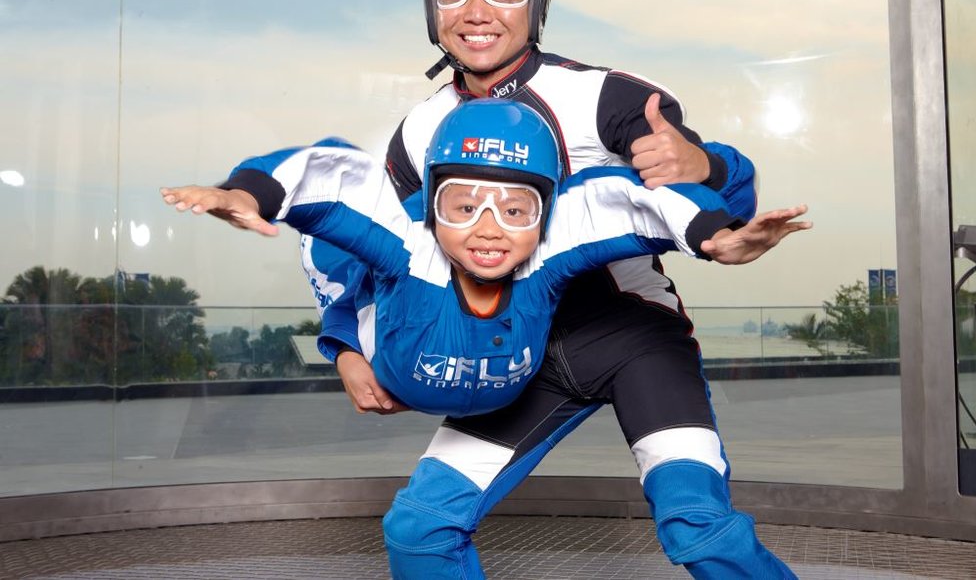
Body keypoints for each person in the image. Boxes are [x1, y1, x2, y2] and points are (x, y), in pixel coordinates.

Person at [292, 0, 803, 579]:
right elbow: (374, 250)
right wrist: (343, 346)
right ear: (430, 6)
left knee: (698, 528)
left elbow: (706, 193)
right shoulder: (418, 133)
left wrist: (710, 177)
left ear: (537, 3)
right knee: (419, 530)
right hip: (509, 357)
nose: (476, 10)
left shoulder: (606, 97)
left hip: (632, 339)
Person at [160, 99, 808, 418]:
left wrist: (717, 239)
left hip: (506, 377)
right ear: (430, 205)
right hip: (396, 353)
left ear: (547, 213)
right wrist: (242, 193)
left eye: (517, 210)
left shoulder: (558, 239)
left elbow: (635, 202)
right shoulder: (409, 239)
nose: (489, 231)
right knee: (339, 246)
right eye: (464, 205)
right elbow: (330, 174)